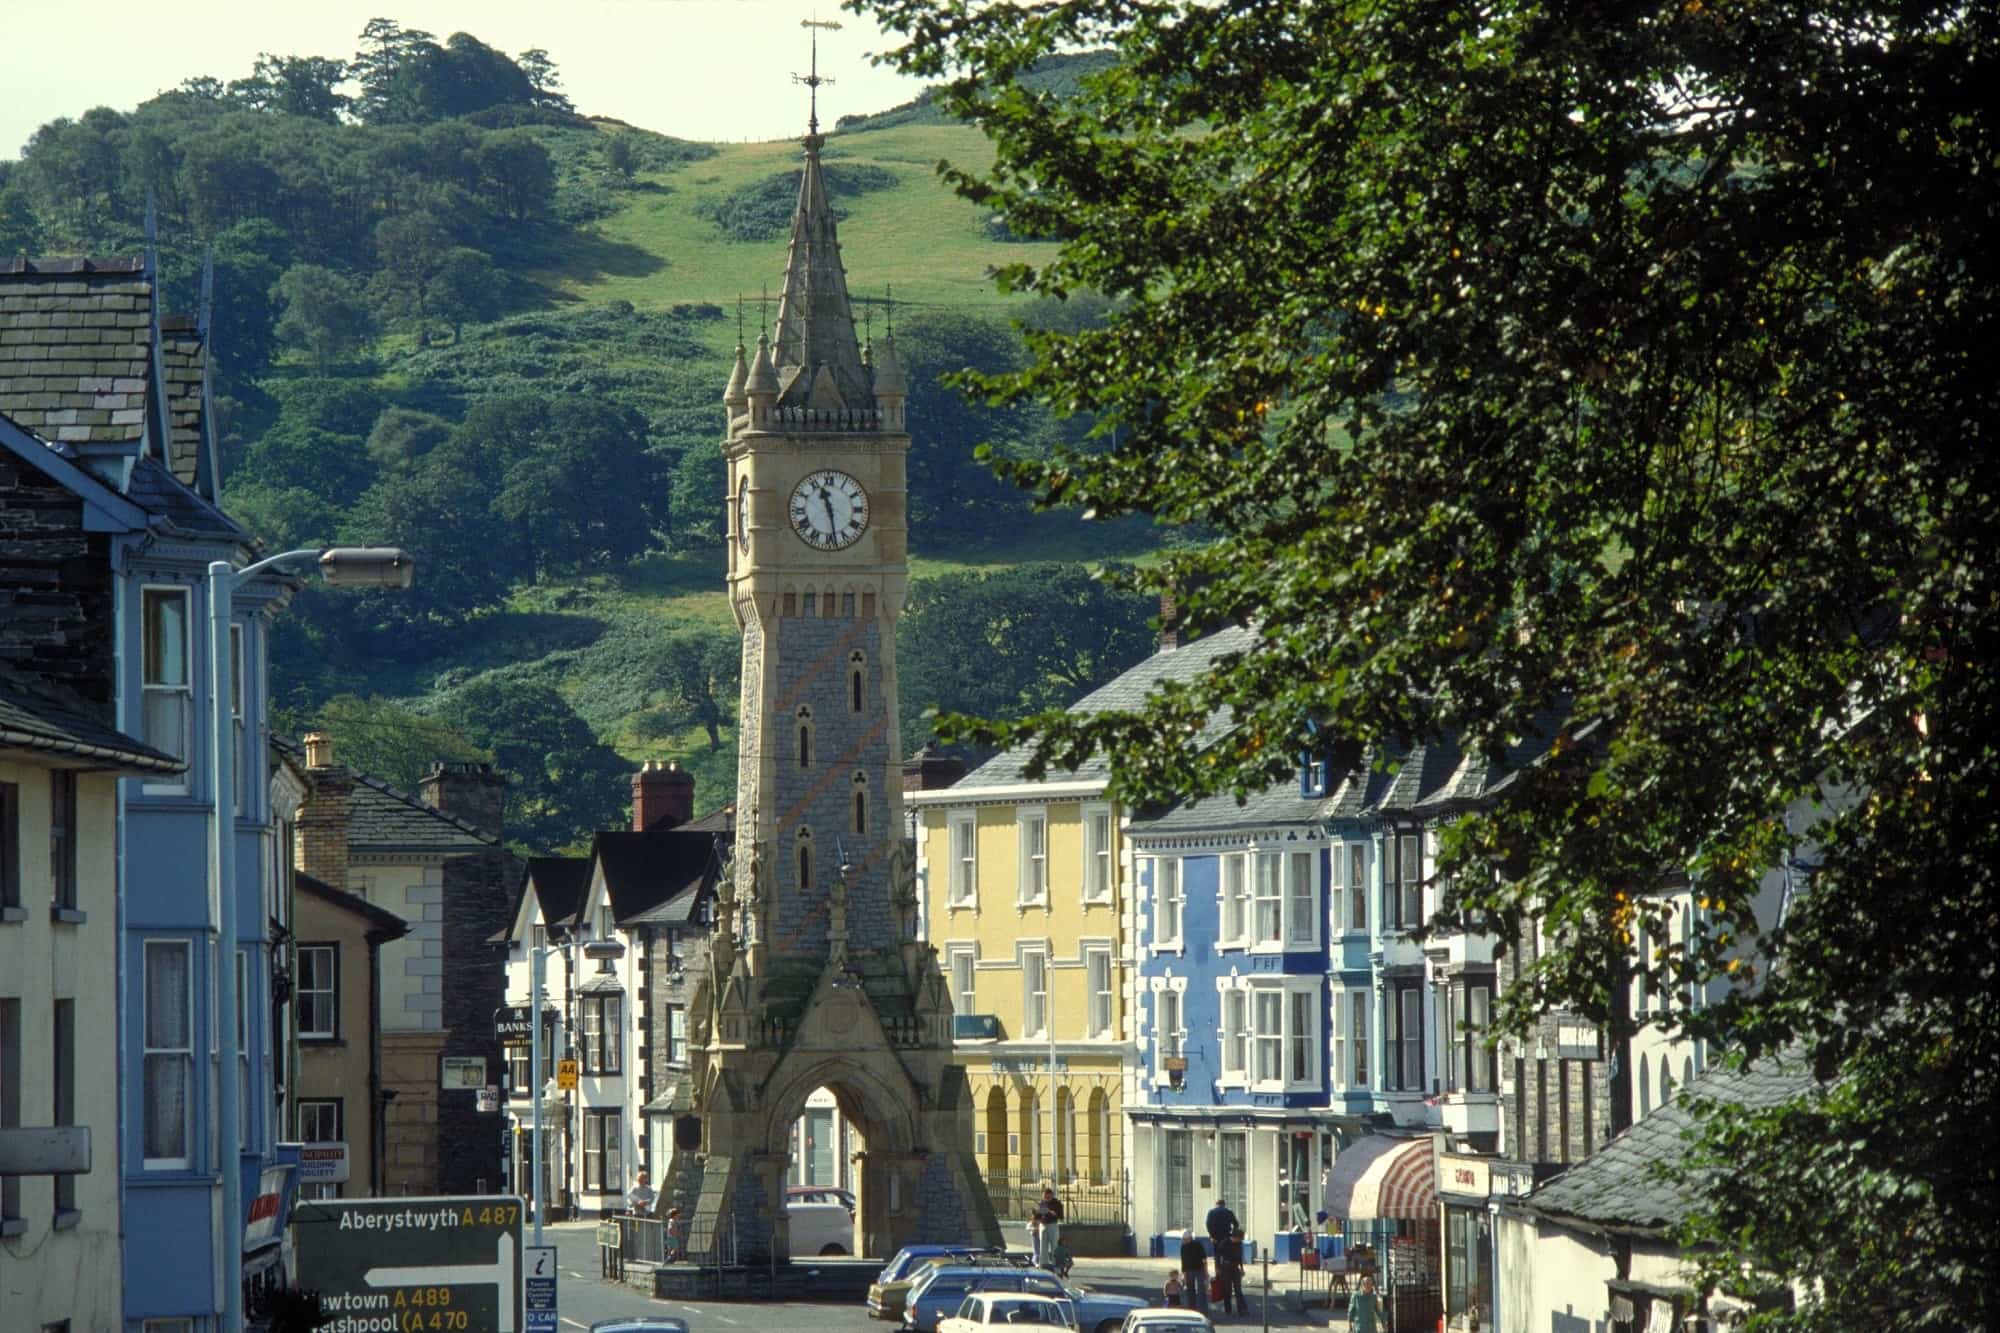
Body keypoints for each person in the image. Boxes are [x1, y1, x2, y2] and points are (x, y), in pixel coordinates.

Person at [1217, 1223, 1247, 1316]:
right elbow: (1218, 1256)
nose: (1240, 1241)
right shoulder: (1224, 1243)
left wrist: (1242, 1268)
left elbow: (1240, 1257)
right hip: (1226, 1268)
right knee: (1227, 1289)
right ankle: (1228, 1309)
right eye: (1239, 1239)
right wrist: (1218, 1268)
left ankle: (1242, 1310)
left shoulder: (1239, 1244)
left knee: (1238, 1289)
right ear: (1235, 1237)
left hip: (1235, 1267)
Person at [1178, 1229, 1210, 1314]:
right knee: (1194, 1291)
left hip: (1198, 1270)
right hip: (1192, 1270)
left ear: (1189, 1238)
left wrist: (1206, 1271)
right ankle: (1197, 1311)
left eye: (1185, 1239)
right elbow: (1184, 1262)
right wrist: (1184, 1275)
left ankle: (1198, 1311)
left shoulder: (1194, 1245)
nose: (1184, 1241)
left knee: (1198, 1291)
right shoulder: (1185, 1246)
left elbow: (1204, 1259)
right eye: (1183, 1239)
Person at [1033, 1185, 1064, 1267]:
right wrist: (1037, 1214)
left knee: (1054, 1245)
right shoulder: (1042, 1203)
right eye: (1045, 1196)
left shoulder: (1057, 1203)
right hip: (1043, 1225)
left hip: (1052, 1225)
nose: (1046, 1198)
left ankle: (1056, 1264)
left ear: (1051, 1195)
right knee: (1042, 1246)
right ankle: (1043, 1263)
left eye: (1048, 1196)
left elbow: (1061, 1216)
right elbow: (1037, 1216)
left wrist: (1053, 1213)